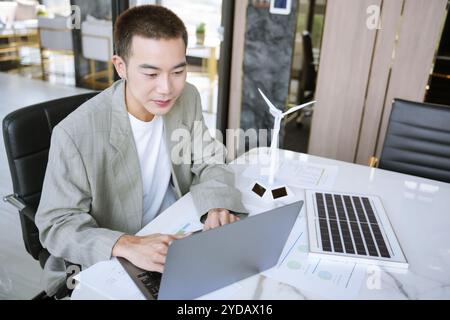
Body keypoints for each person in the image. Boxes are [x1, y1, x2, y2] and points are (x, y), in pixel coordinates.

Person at [35, 4, 247, 296]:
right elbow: (56, 224)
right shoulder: (74, 133)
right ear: (120, 66)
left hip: (173, 233)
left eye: (178, 71)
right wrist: (126, 244)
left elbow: (210, 159)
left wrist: (217, 204)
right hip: (112, 259)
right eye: (151, 74)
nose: (166, 89)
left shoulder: (187, 98)